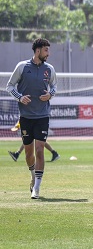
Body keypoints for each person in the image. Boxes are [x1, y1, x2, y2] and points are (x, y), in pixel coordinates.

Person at [6, 38, 57, 199]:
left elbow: (54, 87)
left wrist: (50, 94)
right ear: (38, 50)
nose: (48, 53)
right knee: (29, 154)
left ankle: (37, 187)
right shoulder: (22, 67)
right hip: (26, 117)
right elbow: (9, 86)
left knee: (40, 150)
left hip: (43, 116)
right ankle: (33, 175)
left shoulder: (49, 69)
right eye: (46, 50)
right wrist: (20, 97)